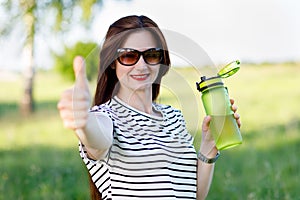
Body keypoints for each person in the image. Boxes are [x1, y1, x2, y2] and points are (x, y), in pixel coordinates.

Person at [57, 15, 241, 200]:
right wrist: (83, 123)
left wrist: (209, 146)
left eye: (151, 55)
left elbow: (194, 195)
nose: (142, 65)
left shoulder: (174, 118)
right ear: (112, 62)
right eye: (129, 56)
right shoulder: (106, 118)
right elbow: (98, 141)